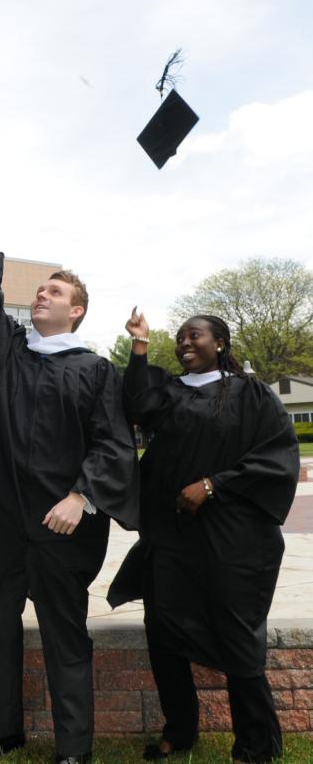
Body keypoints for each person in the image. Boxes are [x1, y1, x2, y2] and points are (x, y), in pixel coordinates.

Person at [0, 168, 139, 764]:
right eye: (41, 289)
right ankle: (0, 730)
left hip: (59, 524)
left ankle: (73, 748)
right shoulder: (6, 351)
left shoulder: (95, 370)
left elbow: (113, 445)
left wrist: (82, 497)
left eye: (55, 292)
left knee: (64, 635)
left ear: (76, 312)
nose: (41, 295)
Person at [108, 310, 299, 764]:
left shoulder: (249, 393)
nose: (185, 344)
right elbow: (137, 405)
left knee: (236, 634)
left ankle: (255, 745)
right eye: (179, 338)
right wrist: (140, 346)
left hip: (233, 540)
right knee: (163, 629)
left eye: (194, 336)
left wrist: (214, 484)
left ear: (220, 343)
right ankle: (180, 729)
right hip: (172, 536)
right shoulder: (171, 392)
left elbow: (278, 455)